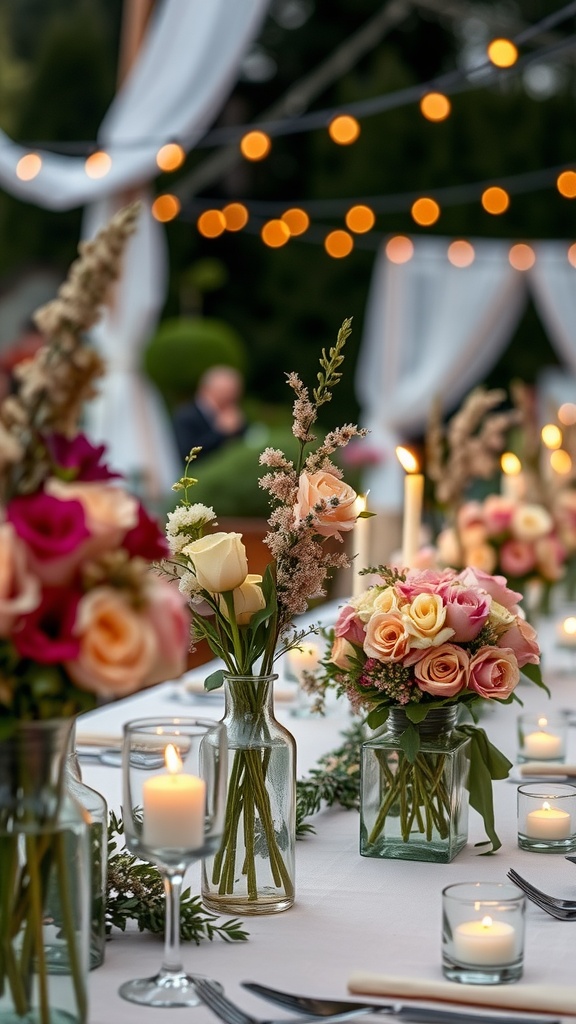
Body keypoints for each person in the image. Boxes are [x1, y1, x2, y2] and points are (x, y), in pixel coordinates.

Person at [172, 364, 246, 462]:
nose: (231, 398)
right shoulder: (185, 417)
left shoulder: (233, 411)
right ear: (207, 390)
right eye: (225, 392)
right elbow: (188, 455)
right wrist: (220, 432)